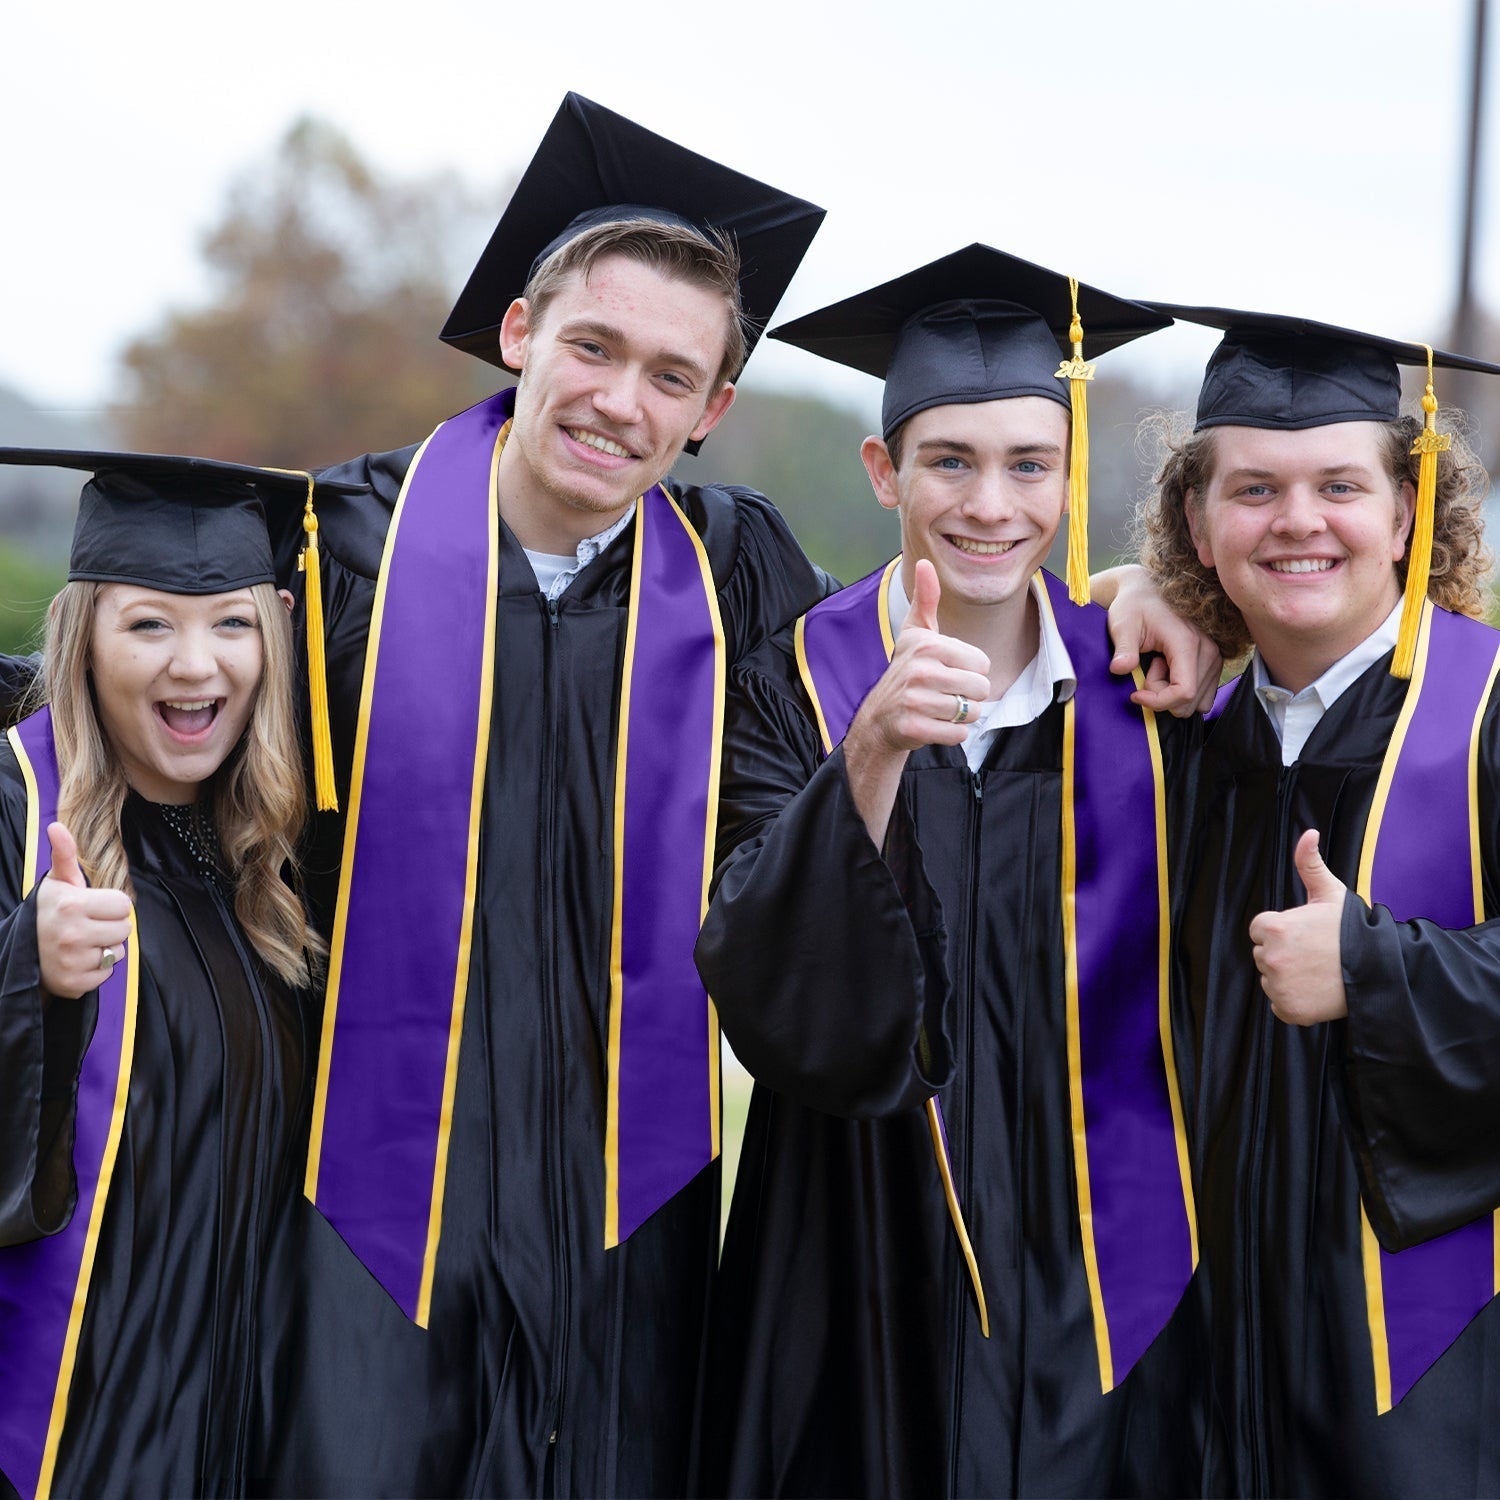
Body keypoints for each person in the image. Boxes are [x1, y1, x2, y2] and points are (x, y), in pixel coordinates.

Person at [254, 95, 830, 1497]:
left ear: (711, 412)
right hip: (372, 1185)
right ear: (520, 334)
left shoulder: (737, 570)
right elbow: (135, 700)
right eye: (593, 346)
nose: (620, 401)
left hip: (628, 1199)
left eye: (670, 375)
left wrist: (1138, 609)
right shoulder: (341, 551)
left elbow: (901, 709)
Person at [693, 246, 1212, 1498]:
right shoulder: (792, 682)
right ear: (885, 473)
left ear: (1070, 472)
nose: (993, 504)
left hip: (1101, 1273)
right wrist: (869, 747)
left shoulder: (1152, 695)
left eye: (1030, 463)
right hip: (853, 1258)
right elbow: (760, 979)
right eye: (950, 461)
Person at [1133, 306, 1500, 1496]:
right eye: (1254, 490)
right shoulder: (1165, 742)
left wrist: (1378, 969)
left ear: (1406, 508)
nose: (1298, 522)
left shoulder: (1489, 714)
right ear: (1196, 520)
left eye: (1339, 485)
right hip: (1205, 1376)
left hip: (1442, 1373)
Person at [0, 451, 343, 1499]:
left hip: (232, 1414)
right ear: (85, 638)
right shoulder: (15, 809)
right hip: (66, 1426)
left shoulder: (273, 863)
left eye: (231, 624)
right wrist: (30, 972)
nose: (196, 666)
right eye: (150, 624)